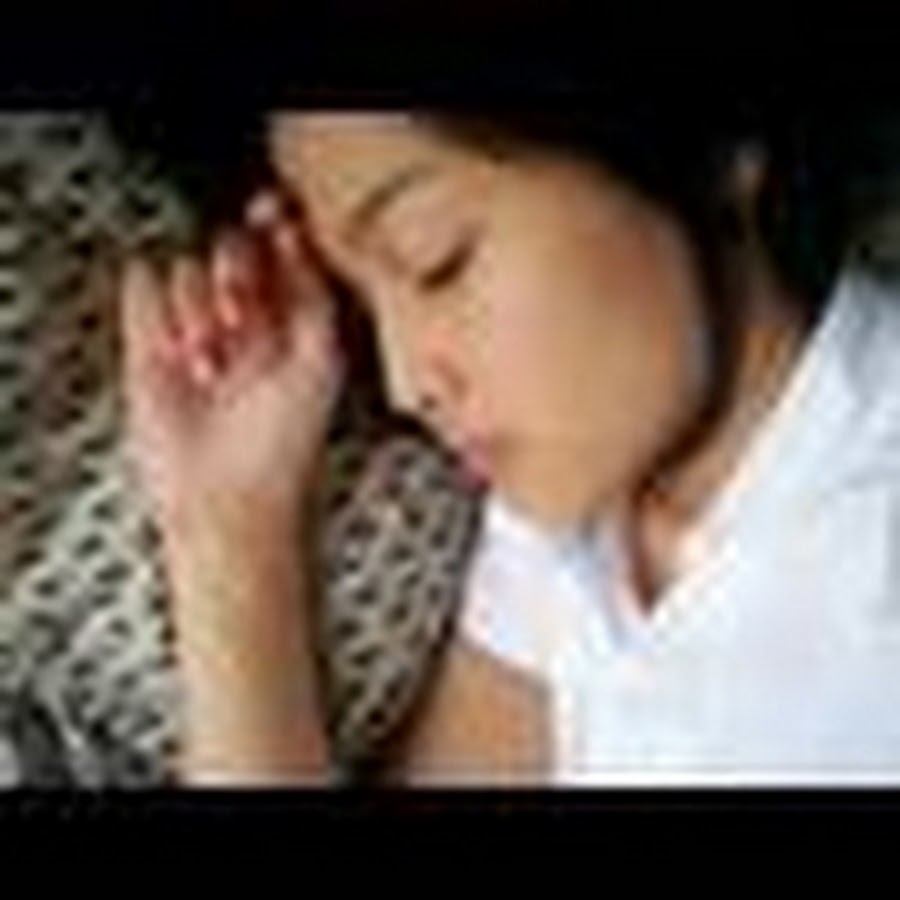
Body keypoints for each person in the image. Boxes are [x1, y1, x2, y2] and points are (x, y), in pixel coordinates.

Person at [119, 101, 900, 785]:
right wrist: (228, 526)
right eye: (363, 303)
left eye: (436, 260)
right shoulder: (560, 530)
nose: (404, 383)